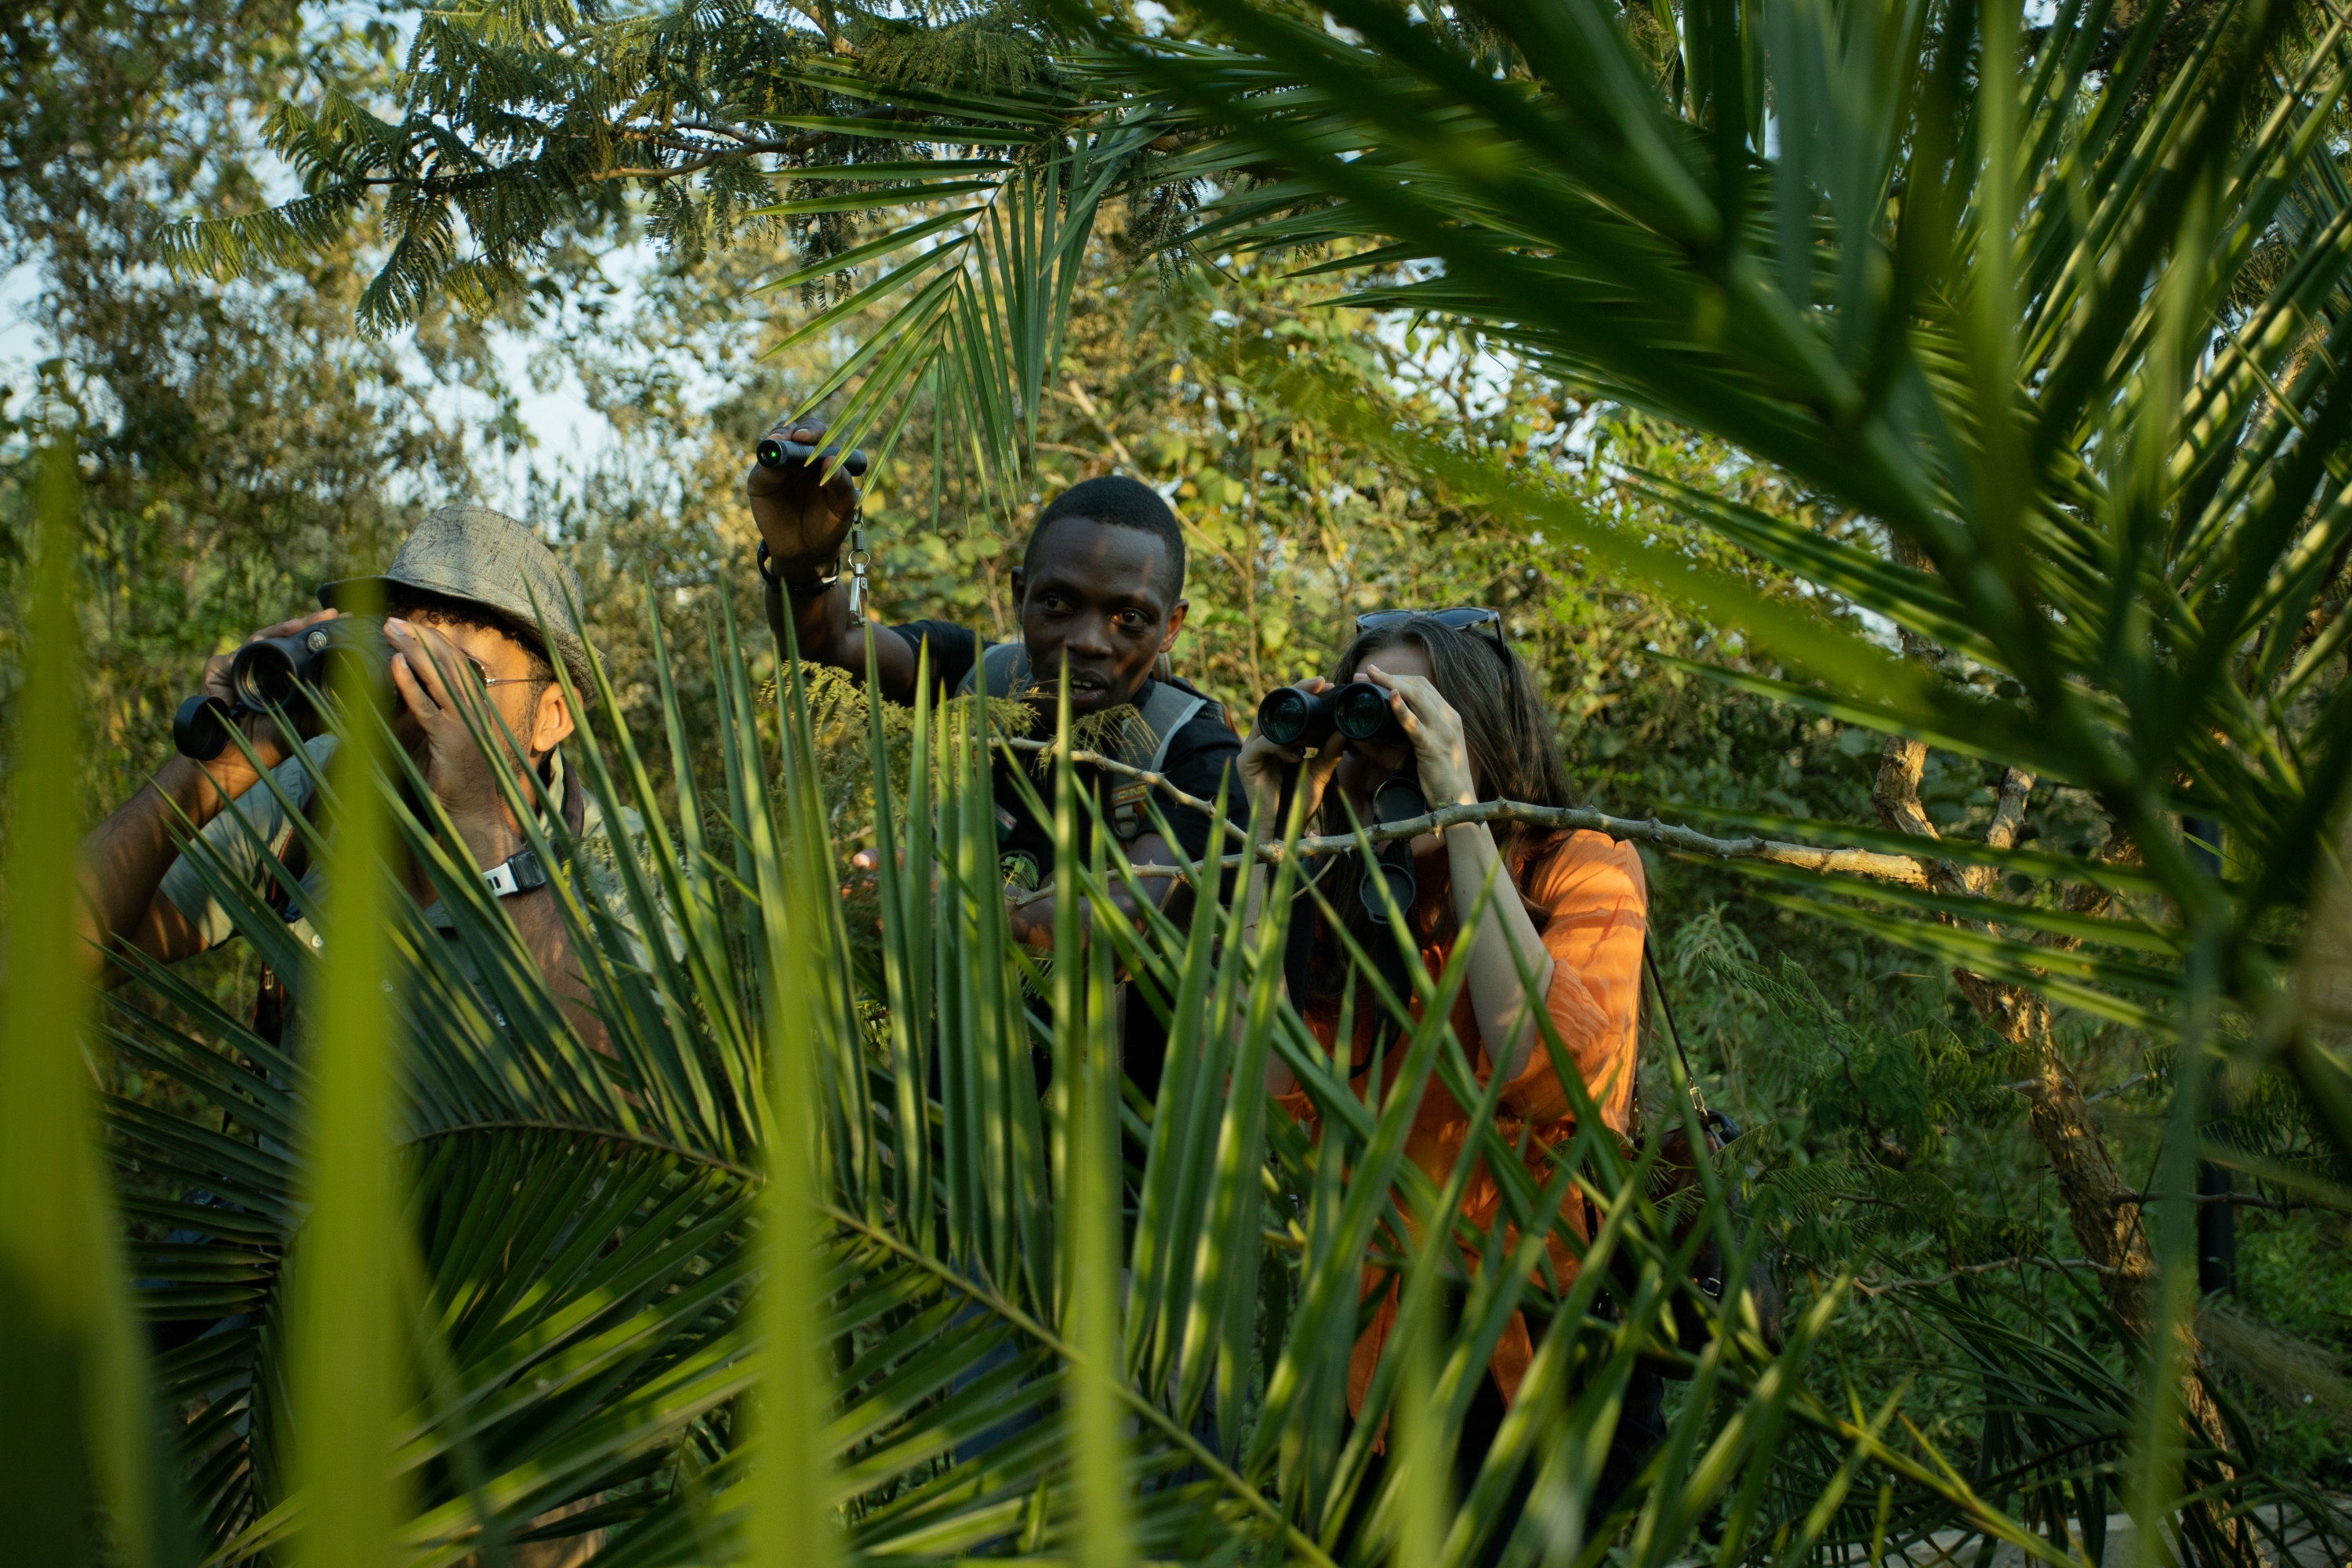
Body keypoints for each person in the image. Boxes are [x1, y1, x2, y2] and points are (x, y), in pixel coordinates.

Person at [1236, 608, 1658, 1542]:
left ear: (1475, 736)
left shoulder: (1583, 867)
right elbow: (1275, 1090)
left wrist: (1459, 806)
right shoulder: (1343, 885)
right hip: (1372, 1364)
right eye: (1364, 723)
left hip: (1544, 1365)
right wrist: (1273, 829)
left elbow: (1544, 1076)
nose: (1385, 756)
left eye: (1411, 723)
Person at [748, 417, 1243, 1094]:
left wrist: (981, 909)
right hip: (937, 1115)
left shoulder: (1198, 753)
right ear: (1019, 596)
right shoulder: (973, 677)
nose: (1090, 641)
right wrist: (806, 567)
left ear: (1172, 627)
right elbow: (837, 644)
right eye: (1058, 603)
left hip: (1112, 1150)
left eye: (1130, 617)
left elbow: (1123, 917)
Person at [74, 506, 642, 1055]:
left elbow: (640, 1113)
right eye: (395, 654)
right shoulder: (314, 794)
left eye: (453, 673)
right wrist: (222, 758)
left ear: (553, 717)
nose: (414, 694)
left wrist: (481, 825)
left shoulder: (629, 866)